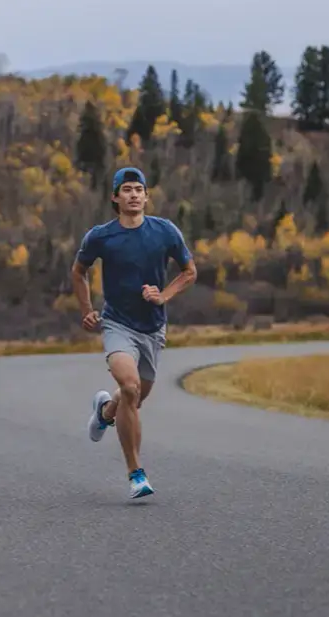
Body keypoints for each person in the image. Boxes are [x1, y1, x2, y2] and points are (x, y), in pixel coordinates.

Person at [70, 166, 197, 499]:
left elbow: (189, 272)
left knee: (134, 398)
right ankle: (135, 473)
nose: (133, 195)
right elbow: (79, 271)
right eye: (126, 189)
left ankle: (104, 412)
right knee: (129, 386)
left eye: (139, 189)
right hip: (117, 323)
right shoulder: (100, 236)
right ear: (115, 197)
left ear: (146, 196)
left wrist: (162, 296)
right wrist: (86, 311)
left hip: (153, 328)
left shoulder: (165, 231)